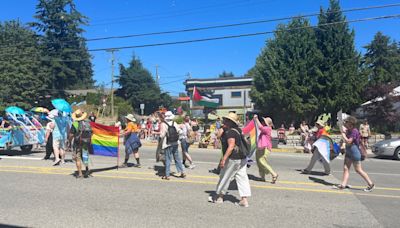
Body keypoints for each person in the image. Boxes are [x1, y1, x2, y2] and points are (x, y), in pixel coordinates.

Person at [210, 112, 251, 207]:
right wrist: (222, 129)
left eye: (225, 120)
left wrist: (224, 159)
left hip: (233, 158)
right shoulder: (237, 130)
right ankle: (244, 200)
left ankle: (219, 197)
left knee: (225, 176)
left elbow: (231, 146)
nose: (223, 121)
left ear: (229, 122)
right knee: (242, 178)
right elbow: (218, 136)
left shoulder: (230, 132)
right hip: (242, 157)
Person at [335, 116, 375, 192]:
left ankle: (371, 184)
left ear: (351, 124)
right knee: (346, 168)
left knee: (358, 170)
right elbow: (343, 140)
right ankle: (343, 185)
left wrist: (343, 134)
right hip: (349, 152)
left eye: (346, 122)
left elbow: (349, 141)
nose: (345, 123)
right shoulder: (348, 130)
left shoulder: (354, 131)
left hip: (355, 152)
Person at [160, 111, 185, 180]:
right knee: (177, 158)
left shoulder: (163, 124)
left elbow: (162, 135)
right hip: (175, 143)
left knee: (168, 159)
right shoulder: (174, 123)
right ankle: (182, 172)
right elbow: (180, 131)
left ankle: (167, 175)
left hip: (167, 144)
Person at [254, 115, 278, 183]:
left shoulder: (268, 128)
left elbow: (260, 127)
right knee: (259, 162)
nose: (262, 122)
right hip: (260, 147)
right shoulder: (266, 128)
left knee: (262, 160)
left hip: (265, 147)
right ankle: (262, 177)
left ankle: (274, 174)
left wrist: (256, 119)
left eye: (264, 121)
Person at [69, 109, 92, 178]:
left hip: (78, 143)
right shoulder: (88, 123)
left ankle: (80, 173)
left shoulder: (75, 124)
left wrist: (69, 141)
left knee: (77, 158)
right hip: (86, 142)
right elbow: (92, 132)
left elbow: (71, 135)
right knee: (85, 156)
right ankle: (87, 169)